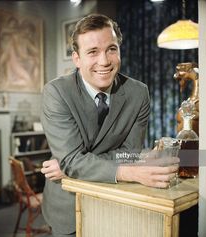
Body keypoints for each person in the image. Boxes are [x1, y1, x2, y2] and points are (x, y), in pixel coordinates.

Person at [40, 14, 179, 237]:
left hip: (117, 200)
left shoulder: (138, 93)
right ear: (77, 58)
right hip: (68, 206)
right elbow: (77, 160)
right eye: (92, 52)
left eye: (111, 49)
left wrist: (71, 166)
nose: (104, 61)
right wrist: (131, 172)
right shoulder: (56, 92)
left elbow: (131, 153)